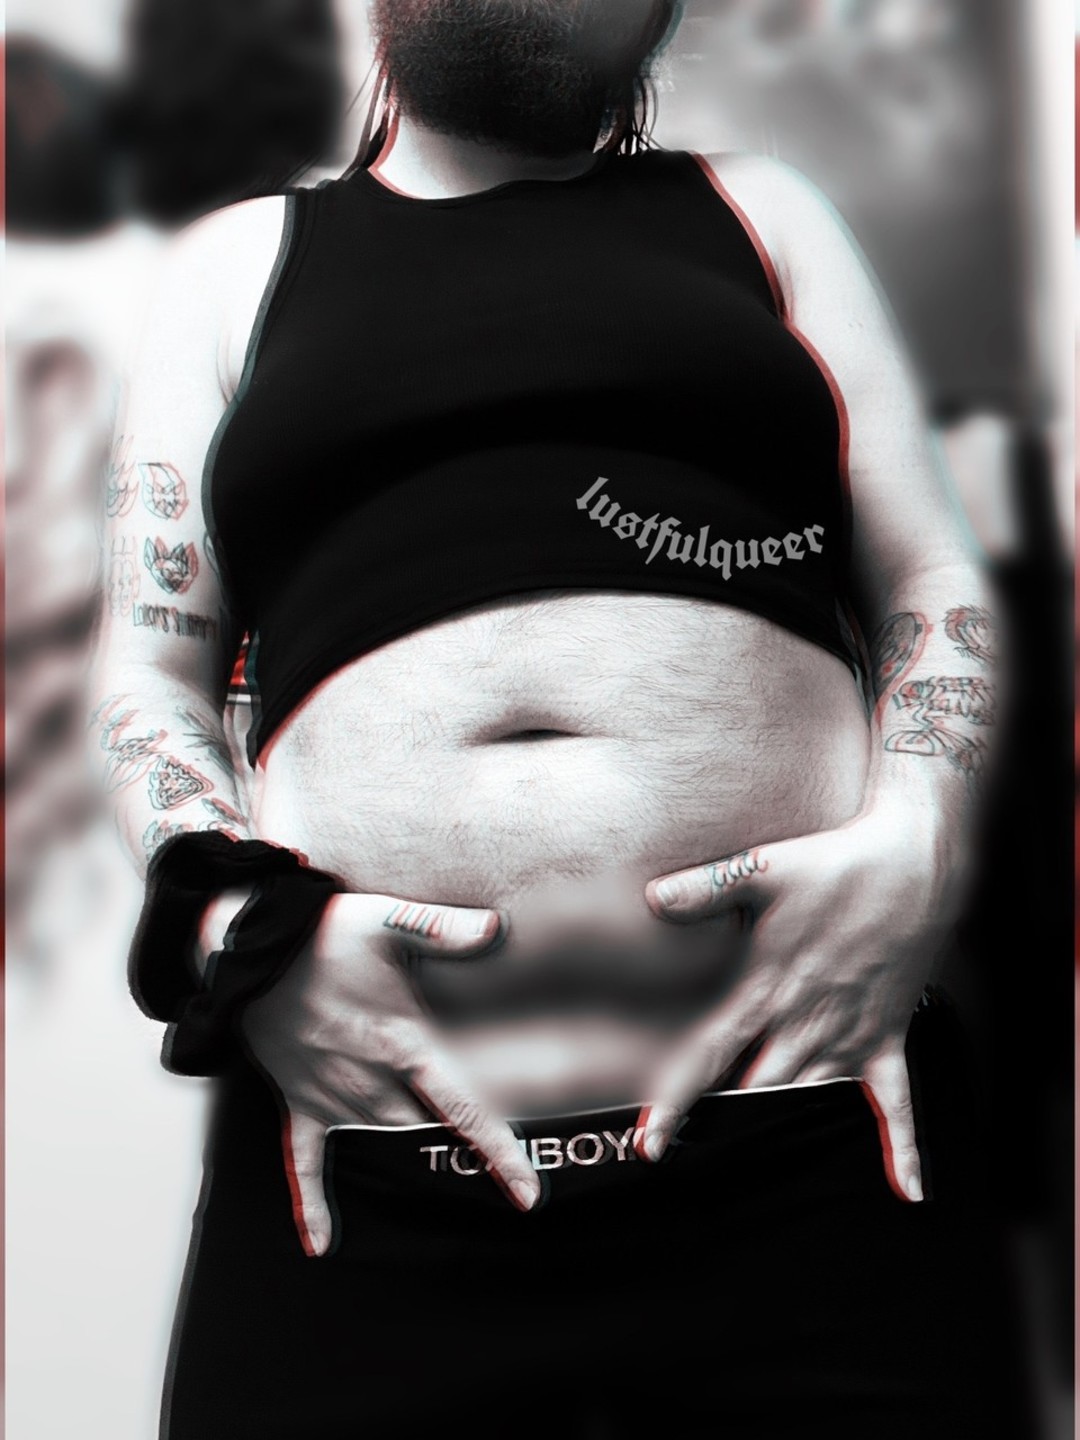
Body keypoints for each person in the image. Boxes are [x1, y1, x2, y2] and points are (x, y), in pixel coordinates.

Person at [87, 2, 1035, 1435]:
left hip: (808, 1141)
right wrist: (241, 937)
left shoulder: (758, 216)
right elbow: (153, 679)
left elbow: (932, 581)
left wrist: (923, 834)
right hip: (366, 1168)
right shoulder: (241, 265)